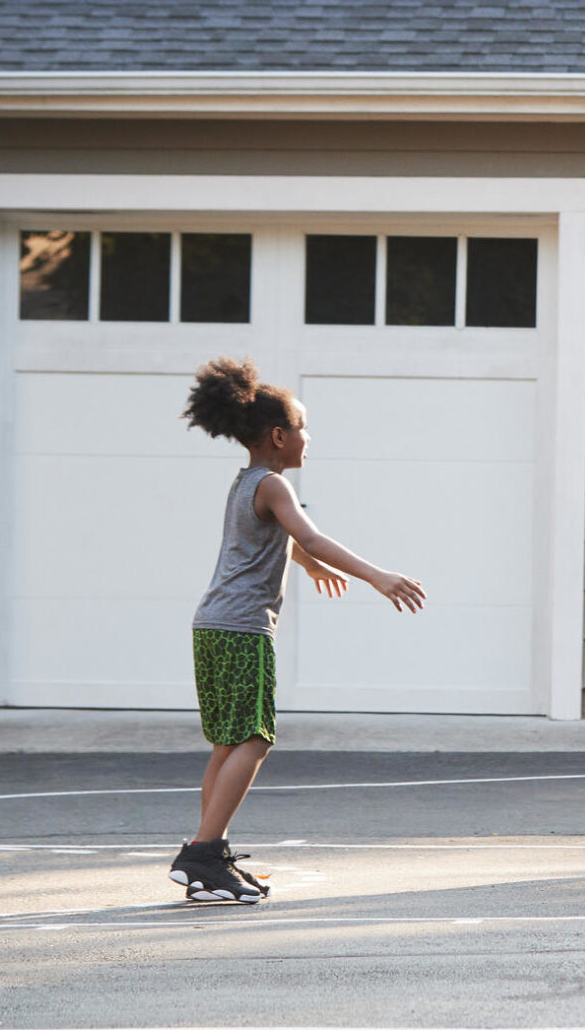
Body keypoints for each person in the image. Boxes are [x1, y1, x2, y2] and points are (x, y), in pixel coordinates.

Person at [175, 357, 426, 903]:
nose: (309, 438)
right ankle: (203, 851)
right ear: (279, 435)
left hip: (213, 624)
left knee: (227, 742)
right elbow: (311, 537)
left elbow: (278, 541)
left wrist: (309, 567)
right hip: (241, 628)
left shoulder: (248, 483)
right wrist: (377, 576)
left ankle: (207, 850)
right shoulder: (274, 487)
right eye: (304, 428)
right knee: (253, 739)